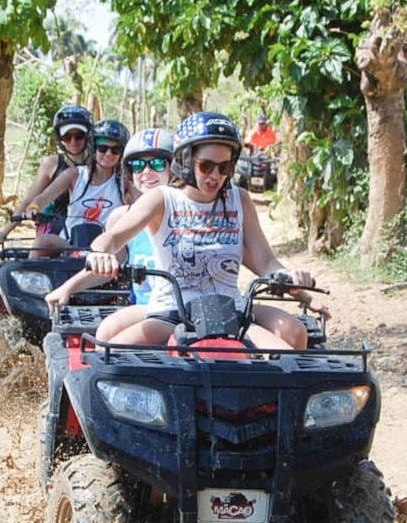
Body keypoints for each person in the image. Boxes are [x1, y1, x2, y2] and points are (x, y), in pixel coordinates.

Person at [84, 111, 314, 349]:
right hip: (172, 311)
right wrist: (99, 254)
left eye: (224, 167)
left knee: (290, 357)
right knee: (110, 354)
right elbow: (111, 238)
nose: (215, 176)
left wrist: (290, 275)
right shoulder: (161, 200)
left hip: (230, 313)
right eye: (206, 166)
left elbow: (266, 262)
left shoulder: (240, 199)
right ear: (185, 161)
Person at [44, 127, 174, 339]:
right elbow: (107, 263)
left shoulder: (190, 213)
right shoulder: (123, 217)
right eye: (138, 165)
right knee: (105, 335)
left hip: (183, 310)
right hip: (145, 310)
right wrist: (68, 288)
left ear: (175, 168)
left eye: (158, 164)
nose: (147, 172)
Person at [17, 119, 129, 257]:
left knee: (123, 255)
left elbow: (143, 204)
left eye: (115, 150)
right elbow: (44, 197)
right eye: (102, 148)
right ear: (93, 148)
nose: (108, 154)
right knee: (42, 242)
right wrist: (34, 208)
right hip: (70, 244)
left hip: (104, 250)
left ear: (122, 153)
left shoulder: (124, 181)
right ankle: (32, 278)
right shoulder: (74, 174)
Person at [0, 105, 93, 248]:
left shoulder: (98, 165)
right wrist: (4, 233)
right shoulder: (51, 164)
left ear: (88, 136)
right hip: (54, 230)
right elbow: (30, 200)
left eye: (79, 136)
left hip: (89, 231)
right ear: (60, 138)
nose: (73, 141)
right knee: (40, 255)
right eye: (67, 136)